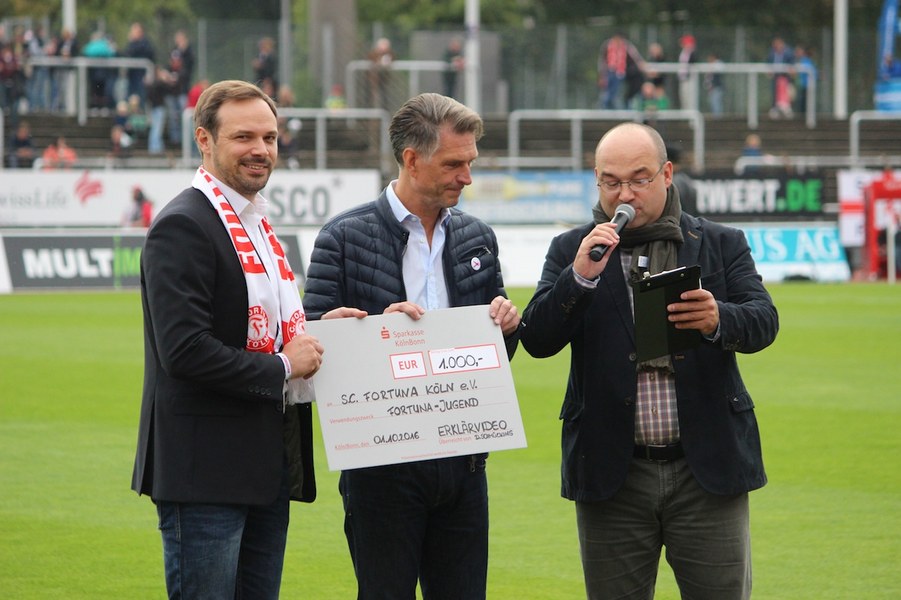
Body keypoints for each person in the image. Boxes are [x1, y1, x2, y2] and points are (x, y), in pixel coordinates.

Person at [519, 122, 778, 600]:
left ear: (667, 174)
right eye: (611, 182)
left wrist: (718, 318)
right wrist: (579, 277)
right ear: (596, 180)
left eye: (639, 180)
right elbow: (536, 338)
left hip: (707, 470)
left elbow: (764, 321)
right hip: (611, 472)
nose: (625, 195)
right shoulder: (573, 249)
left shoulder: (719, 241)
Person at [302, 92, 522, 599]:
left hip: (465, 465)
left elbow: (494, 359)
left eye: (470, 162)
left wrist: (506, 329)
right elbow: (309, 352)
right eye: (453, 164)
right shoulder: (341, 238)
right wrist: (374, 335)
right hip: (382, 472)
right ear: (411, 159)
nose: (467, 177)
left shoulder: (478, 237)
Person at [131, 80, 329, 599]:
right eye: (244, 137)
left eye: (270, 137)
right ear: (204, 139)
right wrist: (284, 367)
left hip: (265, 466)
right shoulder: (184, 224)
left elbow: (271, 329)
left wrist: (331, 332)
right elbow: (184, 350)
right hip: (205, 475)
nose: (260, 149)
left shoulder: (256, 223)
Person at [767, 36, 794, 119]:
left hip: (785, 77)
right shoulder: (772, 53)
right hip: (776, 77)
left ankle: (787, 110)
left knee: (786, 94)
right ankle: (775, 109)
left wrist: (791, 70)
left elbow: (792, 63)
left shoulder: (788, 53)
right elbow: (769, 62)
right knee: (775, 93)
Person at [366, 37, 395, 110]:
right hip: (373, 78)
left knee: (384, 96)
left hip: (383, 79)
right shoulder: (374, 53)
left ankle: (385, 111)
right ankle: (369, 111)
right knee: (371, 96)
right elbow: (370, 59)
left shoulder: (389, 54)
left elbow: (393, 58)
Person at [677, 34, 699, 110]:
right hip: (683, 78)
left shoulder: (692, 53)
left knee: (690, 97)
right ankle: (685, 112)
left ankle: (690, 112)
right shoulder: (683, 53)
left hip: (690, 79)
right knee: (684, 97)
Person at [794, 44, 817, 114]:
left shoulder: (805, 61)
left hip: (807, 86)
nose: (796, 54)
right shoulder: (802, 61)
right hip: (803, 86)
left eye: (798, 52)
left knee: (805, 105)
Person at [704, 51, 725, 116]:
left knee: (716, 102)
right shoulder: (711, 65)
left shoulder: (718, 64)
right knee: (713, 102)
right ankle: (716, 115)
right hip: (712, 88)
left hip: (717, 87)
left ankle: (717, 117)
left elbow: (720, 69)